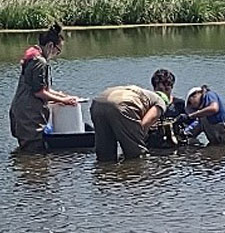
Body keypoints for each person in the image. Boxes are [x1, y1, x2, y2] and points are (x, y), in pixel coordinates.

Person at [9, 23, 78, 152]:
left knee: (28, 155)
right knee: (34, 151)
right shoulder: (40, 62)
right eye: (58, 51)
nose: (56, 55)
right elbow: (39, 92)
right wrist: (63, 101)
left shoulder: (33, 58)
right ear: (51, 46)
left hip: (21, 110)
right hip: (29, 115)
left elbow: (42, 88)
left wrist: (61, 96)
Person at [90, 85, 169, 162]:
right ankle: (134, 173)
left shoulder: (142, 93)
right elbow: (145, 123)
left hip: (98, 103)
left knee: (105, 154)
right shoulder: (160, 102)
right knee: (136, 155)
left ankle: (104, 172)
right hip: (121, 104)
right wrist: (139, 139)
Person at [147, 69, 187, 148]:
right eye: (160, 90)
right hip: (154, 144)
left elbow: (193, 122)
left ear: (172, 87)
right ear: (154, 89)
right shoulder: (148, 105)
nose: (164, 93)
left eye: (167, 89)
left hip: (176, 144)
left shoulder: (180, 104)